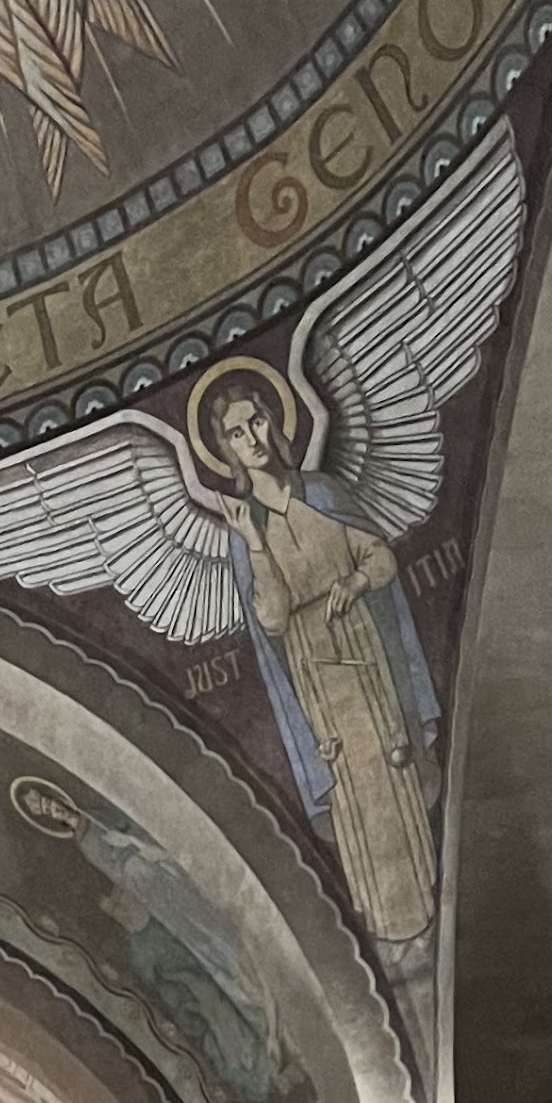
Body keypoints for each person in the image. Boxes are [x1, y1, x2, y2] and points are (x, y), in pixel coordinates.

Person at [191, 373, 441, 950]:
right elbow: (272, 619)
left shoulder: (321, 491)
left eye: (256, 421)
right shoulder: (243, 531)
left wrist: (354, 580)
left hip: (362, 644)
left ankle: (429, 901)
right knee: (350, 778)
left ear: (273, 424)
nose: (250, 437)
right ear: (225, 450)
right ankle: (387, 926)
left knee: (392, 760)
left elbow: (379, 555)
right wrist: (253, 542)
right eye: (235, 433)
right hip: (311, 668)